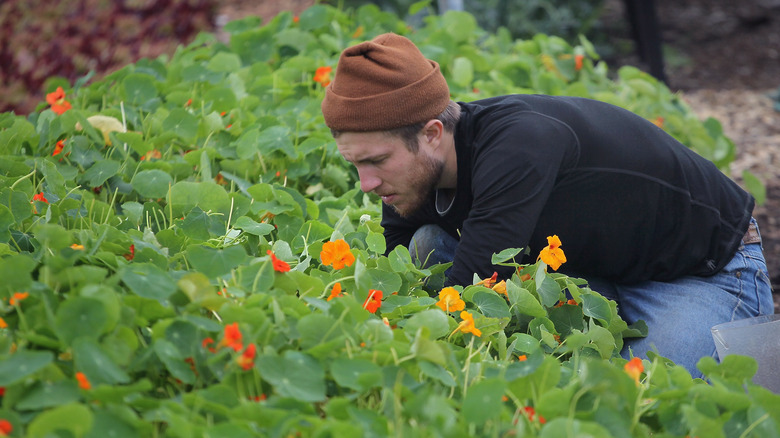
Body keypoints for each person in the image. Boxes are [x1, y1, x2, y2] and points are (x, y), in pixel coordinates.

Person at [320, 32, 774, 379]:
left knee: (650, 389)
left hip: (700, 274)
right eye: (357, 165)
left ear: (432, 133)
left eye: (377, 161)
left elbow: (475, 280)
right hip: (596, 271)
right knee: (424, 243)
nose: (367, 183)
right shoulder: (408, 174)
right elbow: (392, 266)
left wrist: (400, 358)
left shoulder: (519, 143)